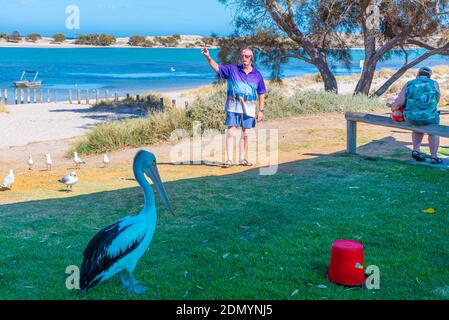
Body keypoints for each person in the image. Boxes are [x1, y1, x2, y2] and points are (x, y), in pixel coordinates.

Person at [202, 47, 267, 168]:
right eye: (242, 56)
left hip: (249, 109)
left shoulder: (257, 75)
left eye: (247, 56)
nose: (244, 58)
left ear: (251, 58)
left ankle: (242, 159)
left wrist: (261, 110)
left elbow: (262, 93)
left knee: (246, 134)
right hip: (233, 107)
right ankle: (229, 160)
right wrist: (208, 57)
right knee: (231, 132)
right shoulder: (232, 69)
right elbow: (217, 68)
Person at [388, 66, 442, 164]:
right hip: (430, 117)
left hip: (411, 117)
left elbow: (400, 102)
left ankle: (416, 150)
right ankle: (434, 156)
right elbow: (437, 100)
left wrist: (393, 108)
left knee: (417, 126)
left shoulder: (409, 83)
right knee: (433, 132)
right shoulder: (434, 83)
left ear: (418, 74)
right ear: (429, 76)